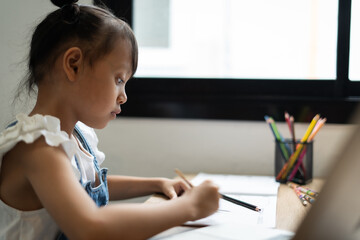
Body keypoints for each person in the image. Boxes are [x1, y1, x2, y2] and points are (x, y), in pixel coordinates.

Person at [0, 0, 220, 239]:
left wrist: (156, 183)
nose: (124, 96)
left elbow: (87, 187)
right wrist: (190, 208)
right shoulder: (37, 147)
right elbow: (91, 227)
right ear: (73, 65)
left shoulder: (74, 137)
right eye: (118, 80)